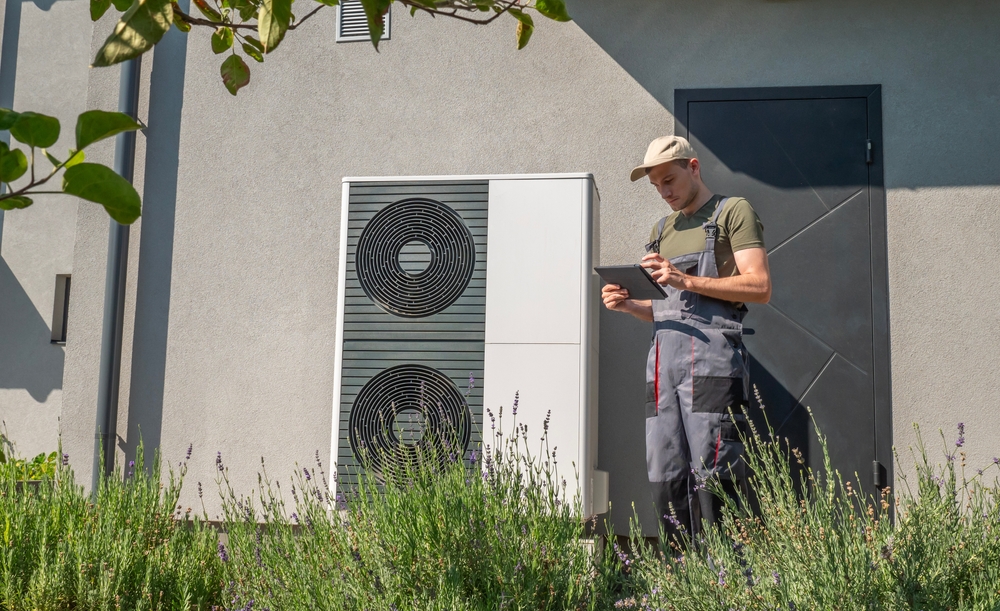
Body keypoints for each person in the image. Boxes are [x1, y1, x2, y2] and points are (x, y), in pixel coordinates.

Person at [603, 135, 772, 542]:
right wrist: (629, 305)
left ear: (693, 168)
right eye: (656, 185)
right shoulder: (661, 230)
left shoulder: (733, 212)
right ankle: (682, 572)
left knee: (716, 469)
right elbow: (668, 309)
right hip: (663, 366)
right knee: (666, 472)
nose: (664, 192)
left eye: (670, 180)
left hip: (711, 362)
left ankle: (730, 572)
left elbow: (760, 286)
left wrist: (686, 279)